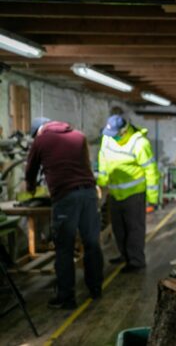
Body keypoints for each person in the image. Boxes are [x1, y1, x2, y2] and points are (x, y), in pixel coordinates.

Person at [25, 117, 103, 309]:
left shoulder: (41, 140)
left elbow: (31, 169)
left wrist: (31, 188)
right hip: (89, 194)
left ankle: (66, 297)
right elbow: (85, 164)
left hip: (66, 196)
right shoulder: (79, 136)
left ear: (38, 131)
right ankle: (95, 289)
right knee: (92, 243)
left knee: (64, 248)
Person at [97, 115, 159, 272]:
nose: (113, 138)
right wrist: (102, 183)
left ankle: (136, 261)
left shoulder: (139, 143)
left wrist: (152, 199)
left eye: (116, 134)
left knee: (134, 229)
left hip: (134, 194)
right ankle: (124, 256)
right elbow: (103, 160)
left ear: (124, 131)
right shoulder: (108, 138)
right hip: (114, 193)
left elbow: (151, 171)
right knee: (119, 229)